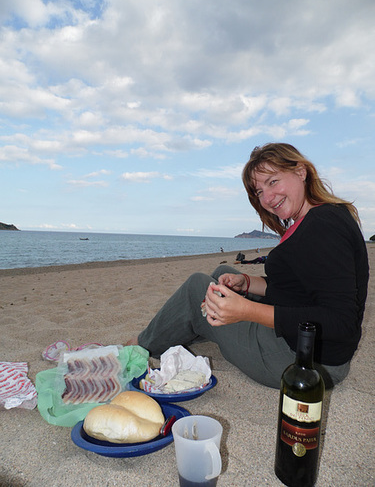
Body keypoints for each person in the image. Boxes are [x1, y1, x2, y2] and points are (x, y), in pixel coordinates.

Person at [126, 143, 369, 389]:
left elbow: (341, 321)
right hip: (305, 347)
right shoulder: (314, 218)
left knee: (196, 288)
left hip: (304, 363)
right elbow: (298, 290)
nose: (267, 198)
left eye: (273, 182)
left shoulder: (322, 226)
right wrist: (247, 282)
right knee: (223, 274)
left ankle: (138, 346)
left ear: (300, 171)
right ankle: (193, 326)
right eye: (259, 191)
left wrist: (247, 311)